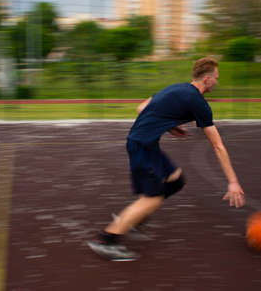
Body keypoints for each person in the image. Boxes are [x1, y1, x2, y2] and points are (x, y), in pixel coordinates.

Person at [87, 57, 245, 261]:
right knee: (152, 199)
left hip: (145, 144)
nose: (217, 82)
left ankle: (134, 218)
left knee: (176, 181)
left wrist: (171, 125)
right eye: (216, 77)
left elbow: (142, 108)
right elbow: (218, 146)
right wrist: (233, 182)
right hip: (142, 147)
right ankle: (106, 240)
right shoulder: (198, 103)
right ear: (207, 79)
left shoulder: (177, 88)